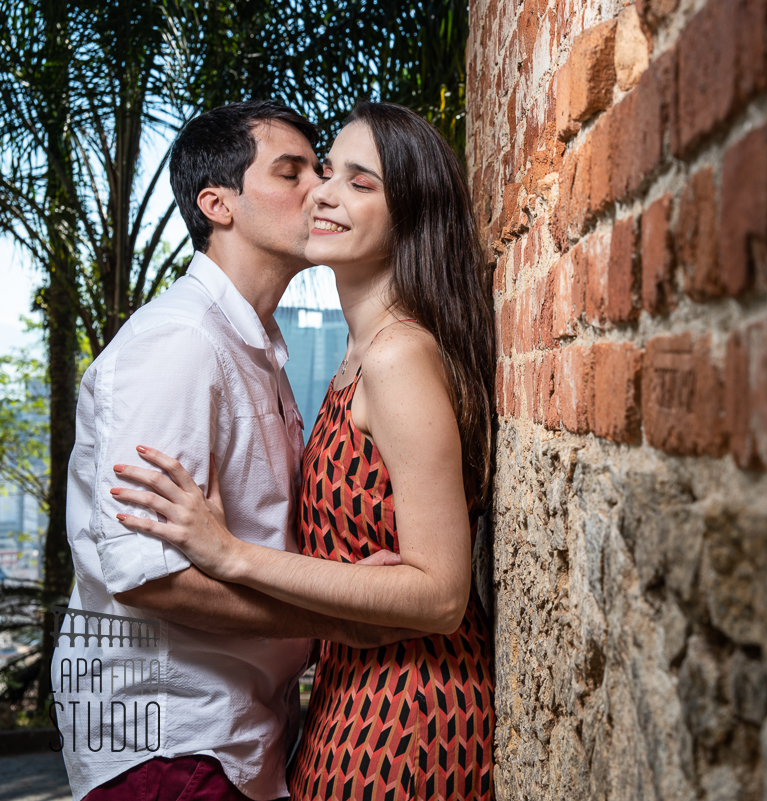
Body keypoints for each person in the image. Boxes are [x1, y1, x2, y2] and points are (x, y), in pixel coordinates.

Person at [112, 103, 497, 800]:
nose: (323, 192)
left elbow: (441, 593)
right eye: (323, 173)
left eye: (359, 182)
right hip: (345, 706)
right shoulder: (353, 353)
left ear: (409, 212)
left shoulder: (398, 355)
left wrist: (231, 553)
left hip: (407, 715)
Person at [59, 101, 410, 801]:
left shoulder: (252, 345)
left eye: (323, 169)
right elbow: (150, 574)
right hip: (166, 743)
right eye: (292, 173)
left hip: (230, 735)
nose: (320, 188)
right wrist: (343, 617)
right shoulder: (181, 343)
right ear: (217, 203)